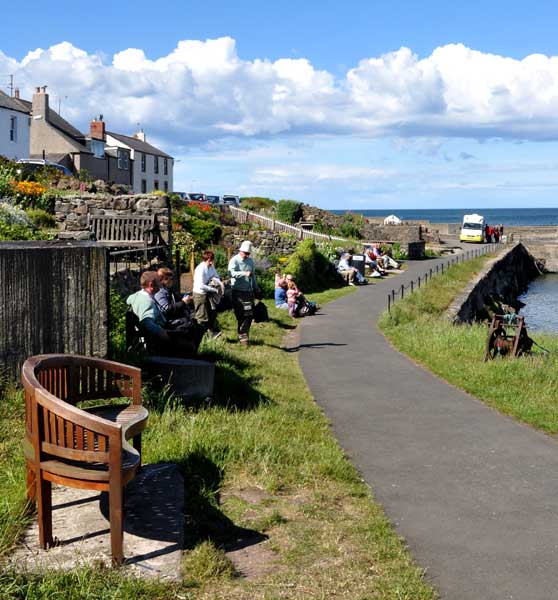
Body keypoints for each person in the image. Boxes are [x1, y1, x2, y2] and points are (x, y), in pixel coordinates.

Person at [127, 271, 199, 356]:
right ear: (151, 285)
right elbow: (146, 322)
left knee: (190, 327)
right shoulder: (147, 302)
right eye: (158, 281)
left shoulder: (138, 295)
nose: (161, 284)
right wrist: (163, 334)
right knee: (190, 345)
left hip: (158, 334)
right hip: (157, 340)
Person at [228, 240, 260, 346]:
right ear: (240, 251)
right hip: (237, 292)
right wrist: (244, 273)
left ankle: (244, 336)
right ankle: (242, 335)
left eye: (248, 253)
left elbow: (253, 276)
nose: (247, 255)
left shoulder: (250, 261)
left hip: (248, 292)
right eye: (245, 253)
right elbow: (231, 273)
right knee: (240, 315)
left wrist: (256, 288)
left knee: (249, 314)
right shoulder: (234, 260)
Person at [193, 250, 222, 339]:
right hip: (199, 294)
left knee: (211, 314)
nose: (211, 262)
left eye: (212, 260)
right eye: (210, 260)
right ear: (205, 259)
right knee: (201, 316)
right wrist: (214, 290)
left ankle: (210, 334)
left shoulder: (211, 267)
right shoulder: (200, 269)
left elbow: (216, 276)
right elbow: (201, 285)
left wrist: (219, 283)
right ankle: (199, 337)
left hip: (208, 294)